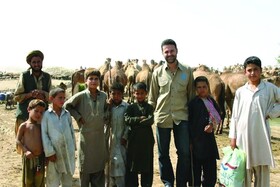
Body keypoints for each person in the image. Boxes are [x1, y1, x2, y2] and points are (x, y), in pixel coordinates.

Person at [148, 39, 195, 187]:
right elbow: (152, 98)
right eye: (166, 51)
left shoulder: (187, 71)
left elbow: (191, 96)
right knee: (163, 154)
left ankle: (181, 182)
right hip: (162, 118)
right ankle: (168, 182)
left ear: (177, 51)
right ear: (162, 53)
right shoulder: (157, 73)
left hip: (182, 118)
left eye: (171, 51)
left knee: (185, 154)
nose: (169, 54)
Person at [229, 56, 280, 187]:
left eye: (255, 69)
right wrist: (232, 137)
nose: (253, 73)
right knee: (243, 173)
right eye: (249, 70)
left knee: (262, 173)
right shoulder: (241, 92)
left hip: (261, 137)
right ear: (245, 72)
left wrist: (272, 113)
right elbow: (234, 116)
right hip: (242, 138)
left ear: (261, 70)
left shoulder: (269, 88)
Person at [64, 68, 109, 187]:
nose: (93, 81)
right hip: (86, 137)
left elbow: (106, 109)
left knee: (99, 168)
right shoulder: (81, 96)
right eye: (91, 79)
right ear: (85, 81)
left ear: (99, 81)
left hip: (99, 137)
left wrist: (105, 116)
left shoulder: (103, 96)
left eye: (96, 79)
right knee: (85, 168)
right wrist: (78, 117)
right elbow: (67, 106)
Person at [14, 50, 52, 153]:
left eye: (38, 62)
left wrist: (42, 94)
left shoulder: (47, 77)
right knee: (26, 148)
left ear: (42, 62)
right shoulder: (24, 75)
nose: (36, 64)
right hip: (25, 116)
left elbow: (51, 96)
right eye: (34, 62)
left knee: (41, 146)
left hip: (41, 116)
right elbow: (16, 96)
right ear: (30, 63)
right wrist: (30, 94)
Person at [188, 76, 221, 187]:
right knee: (194, 175)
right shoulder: (193, 104)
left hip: (209, 143)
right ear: (195, 89)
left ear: (208, 87)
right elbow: (189, 123)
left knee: (210, 175)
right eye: (199, 87)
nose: (202, 89)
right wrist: (190, 142)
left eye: (204, 87)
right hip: (196, 144)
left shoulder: (211, 102)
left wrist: (212, 125)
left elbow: (218, 115)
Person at [41, 87, 76, 187]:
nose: (62, 100)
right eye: (60, 98)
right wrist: (49, 152)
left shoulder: (67, 114)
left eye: (64, 98)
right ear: (51, 99)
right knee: (53, 180)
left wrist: (73, 147)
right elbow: (45, 134)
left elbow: (71, 131)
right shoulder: (46, 115)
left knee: (68, 179)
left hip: (68, 152)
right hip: (54, 154)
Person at [125, 82, 154, 187]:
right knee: (132, 164)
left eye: (142, 93)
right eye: (137, 93)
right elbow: (127, 119)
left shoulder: (149, 107)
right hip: (133, 141)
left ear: (146, 93)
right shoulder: (131, 107)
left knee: (147, 166)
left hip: (147, 141)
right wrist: (139, 119)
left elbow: (150, 120)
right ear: (133, 94)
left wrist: (137, 122)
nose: (140, 96)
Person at [16, 99, 46, 187]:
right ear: (29, 109)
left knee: (39, 180)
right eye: (36, 111)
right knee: (28, 181)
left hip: (40, 158)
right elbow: (18, 140)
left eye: (41, 112)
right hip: (28, 158)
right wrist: (25, 151)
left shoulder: (41, 126)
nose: (39, 114)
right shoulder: (24, 126)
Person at [105, 82, 129, 187]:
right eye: (113, 94)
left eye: (118, 94)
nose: (116, 96)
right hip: (109, 141)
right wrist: (108, 108)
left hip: (121, 142)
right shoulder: (107, 107)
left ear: (122, 94)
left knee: (121, 164)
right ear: (109, 94)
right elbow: (104, 121)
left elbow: (129, 125)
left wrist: (125, 137)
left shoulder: (126, 107)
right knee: (108, 166)